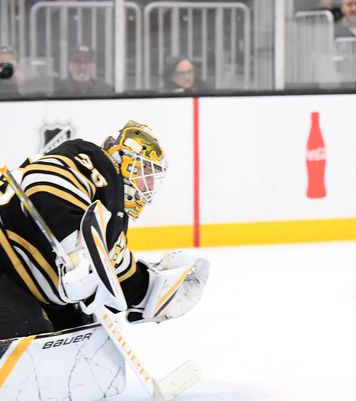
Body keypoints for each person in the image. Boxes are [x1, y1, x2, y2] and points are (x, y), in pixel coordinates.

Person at [0, 121, 209, 339]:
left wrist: (157, 293)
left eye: (153, 178)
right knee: (27, 332)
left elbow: (118, 276)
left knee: (80, 332)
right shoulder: (93, 160)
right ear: (124, 161)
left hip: (27, 282)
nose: (150, 187)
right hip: (5, 262)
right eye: (145, 172)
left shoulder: (111, 216)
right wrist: (75, 249)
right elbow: (43, 183)